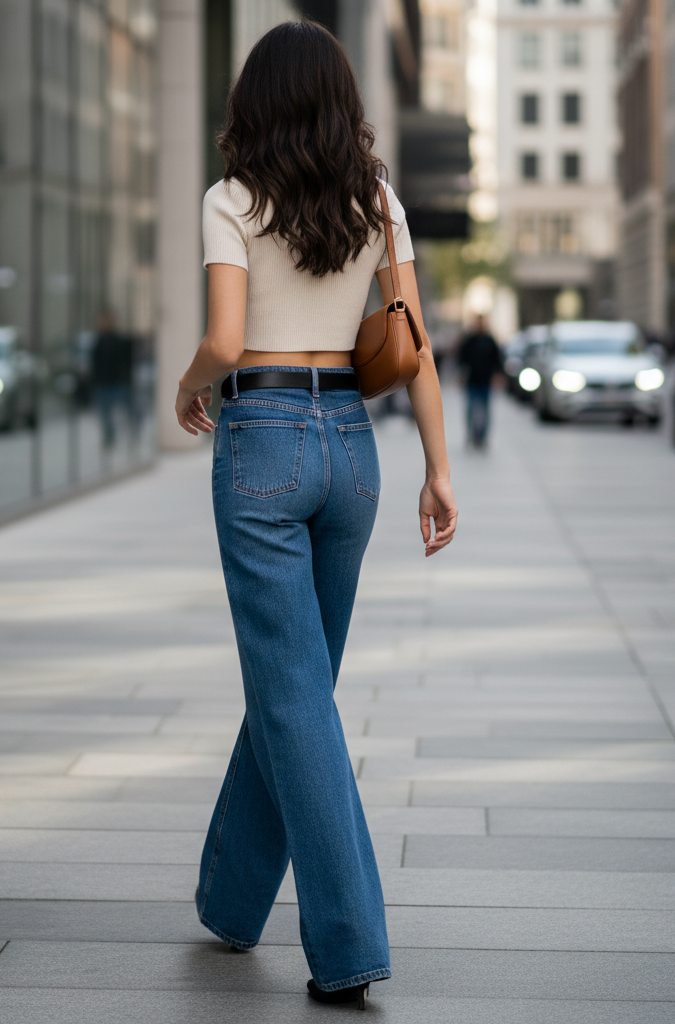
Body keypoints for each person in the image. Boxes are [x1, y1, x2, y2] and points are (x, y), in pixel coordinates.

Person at [174, 22, 457, 1011]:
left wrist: (189, 385)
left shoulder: (230, 199)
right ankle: (231, 897)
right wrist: (438, 469)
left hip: (262, 439)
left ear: (253, 101)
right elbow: (412, 345)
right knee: (298, 686)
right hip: (352, 447)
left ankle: (348, 944)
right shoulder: (375, 199)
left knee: (293, 696)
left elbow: (225, 340)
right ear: (342, 101)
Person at [457, 314, 502, 448]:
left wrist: (497, 376)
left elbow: (497, 360)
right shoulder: (469, 341)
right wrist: (461, 375)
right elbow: (462, 358)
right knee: (470, 409)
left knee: (486, 410)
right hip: (472, 380)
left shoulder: (490, 341)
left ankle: (483, 437)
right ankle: (471, 435)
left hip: (486, 380)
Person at [91, 312, 134, 448]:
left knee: (122, 412)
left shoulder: (119, 341)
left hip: (118, 382)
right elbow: (94, 363)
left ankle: (126, 436)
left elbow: (127, 362)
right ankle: (109, 438)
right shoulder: (98, 341)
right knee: (105, 414)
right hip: (103, 383)